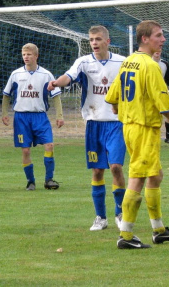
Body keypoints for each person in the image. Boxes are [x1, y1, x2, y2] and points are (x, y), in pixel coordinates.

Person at [105, 20, 169, 249]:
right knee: (138, 179)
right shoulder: (151, 66)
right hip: (144, 128)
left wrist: (124, 108)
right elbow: (164, 106)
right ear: (145, 39)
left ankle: (159, 230)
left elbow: (112, 99)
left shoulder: (128, 62)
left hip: (130, 127)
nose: (163, 39)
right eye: (159, 36)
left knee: (156, 176)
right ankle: (126, 236)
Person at [47, 25, 126, 231]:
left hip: (117, 123)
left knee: (116, 167)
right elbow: (68, 77)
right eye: (91, 40)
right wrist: (56, 83)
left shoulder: (122, 62)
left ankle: (120, 212)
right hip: (93, 124)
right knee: (98, 171)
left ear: (107, 42)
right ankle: (101, 217)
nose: (94, 43)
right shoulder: (83, 62)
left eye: (98, 39)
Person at [2, 43, 64, 191]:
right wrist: (4, 114)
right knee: (25, 150)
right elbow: (6, 95)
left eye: (29, 54)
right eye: (24, 54)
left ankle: (49, 179)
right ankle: (30, 181)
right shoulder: (16, 74)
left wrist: (59, 115)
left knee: (49, 145)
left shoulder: (46, 75)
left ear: (36, 56)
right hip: (21, 118)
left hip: (40, 117)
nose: (26, 57)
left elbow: (55, 96)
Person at [152, 51, 169, 146]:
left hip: (162, 93)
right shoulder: (147, 62)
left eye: (159, 50)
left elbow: (168, 78)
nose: (157, 52)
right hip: (150, 95)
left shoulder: (164, 64)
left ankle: (168, 137)